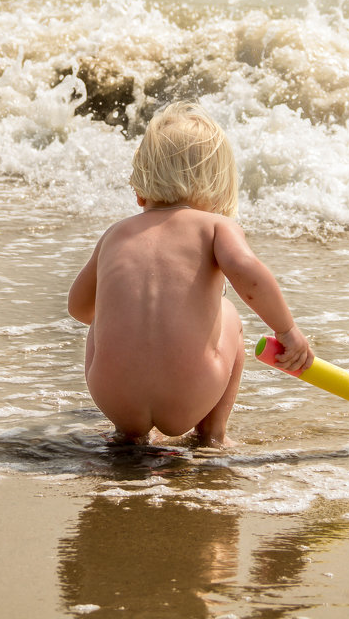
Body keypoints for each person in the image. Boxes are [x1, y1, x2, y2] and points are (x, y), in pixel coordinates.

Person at [68, 103, 313, 447]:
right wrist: (287, 330)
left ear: (140, 185)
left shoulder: (116, 233)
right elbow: (249, 274)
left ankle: (128, 435)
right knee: (228, 312)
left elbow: (79, 308)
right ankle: (212, 434)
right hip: (192, 393)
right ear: (217, 185)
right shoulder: (216, 226)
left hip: (113, 397)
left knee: (102, 315)